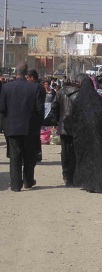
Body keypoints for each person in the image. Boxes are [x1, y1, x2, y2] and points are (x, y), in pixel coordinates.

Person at [0, 62, 44, 191]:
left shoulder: (7, 87)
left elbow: (2, 108)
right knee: (29, 156)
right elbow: (39, 109)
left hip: (12, 127)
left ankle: (15, 184)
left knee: (15, 156)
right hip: (29, 127)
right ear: (26, 73)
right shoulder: (34, 88)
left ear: (15, 73)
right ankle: (28, 181)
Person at [69, 74, 102, 193]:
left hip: (84, 135)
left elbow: (75, 117)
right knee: (99, 157)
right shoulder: (97, 99)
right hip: (100, 134)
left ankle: (88, 183)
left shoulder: (79, 99)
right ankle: (100, 183)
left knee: (87, 158)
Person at [51, 77, 81, 186]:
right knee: (75, 152)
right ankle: (73, 176)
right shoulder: (79, 93)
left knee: (65, 152)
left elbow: (54, 107)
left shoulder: (60, 92)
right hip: (76, 126)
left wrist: (58, 120)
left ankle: (66, 176)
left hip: (63, 125)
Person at [26, 69, 46, 162]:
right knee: (36, 137)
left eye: (27, 78)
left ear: (32, 77)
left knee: (32, 137)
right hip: (39, 115)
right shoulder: (40, 87)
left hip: (35, 116)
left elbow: (38, 103)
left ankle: (35, 155)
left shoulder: (36, 87)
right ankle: (37, 155)